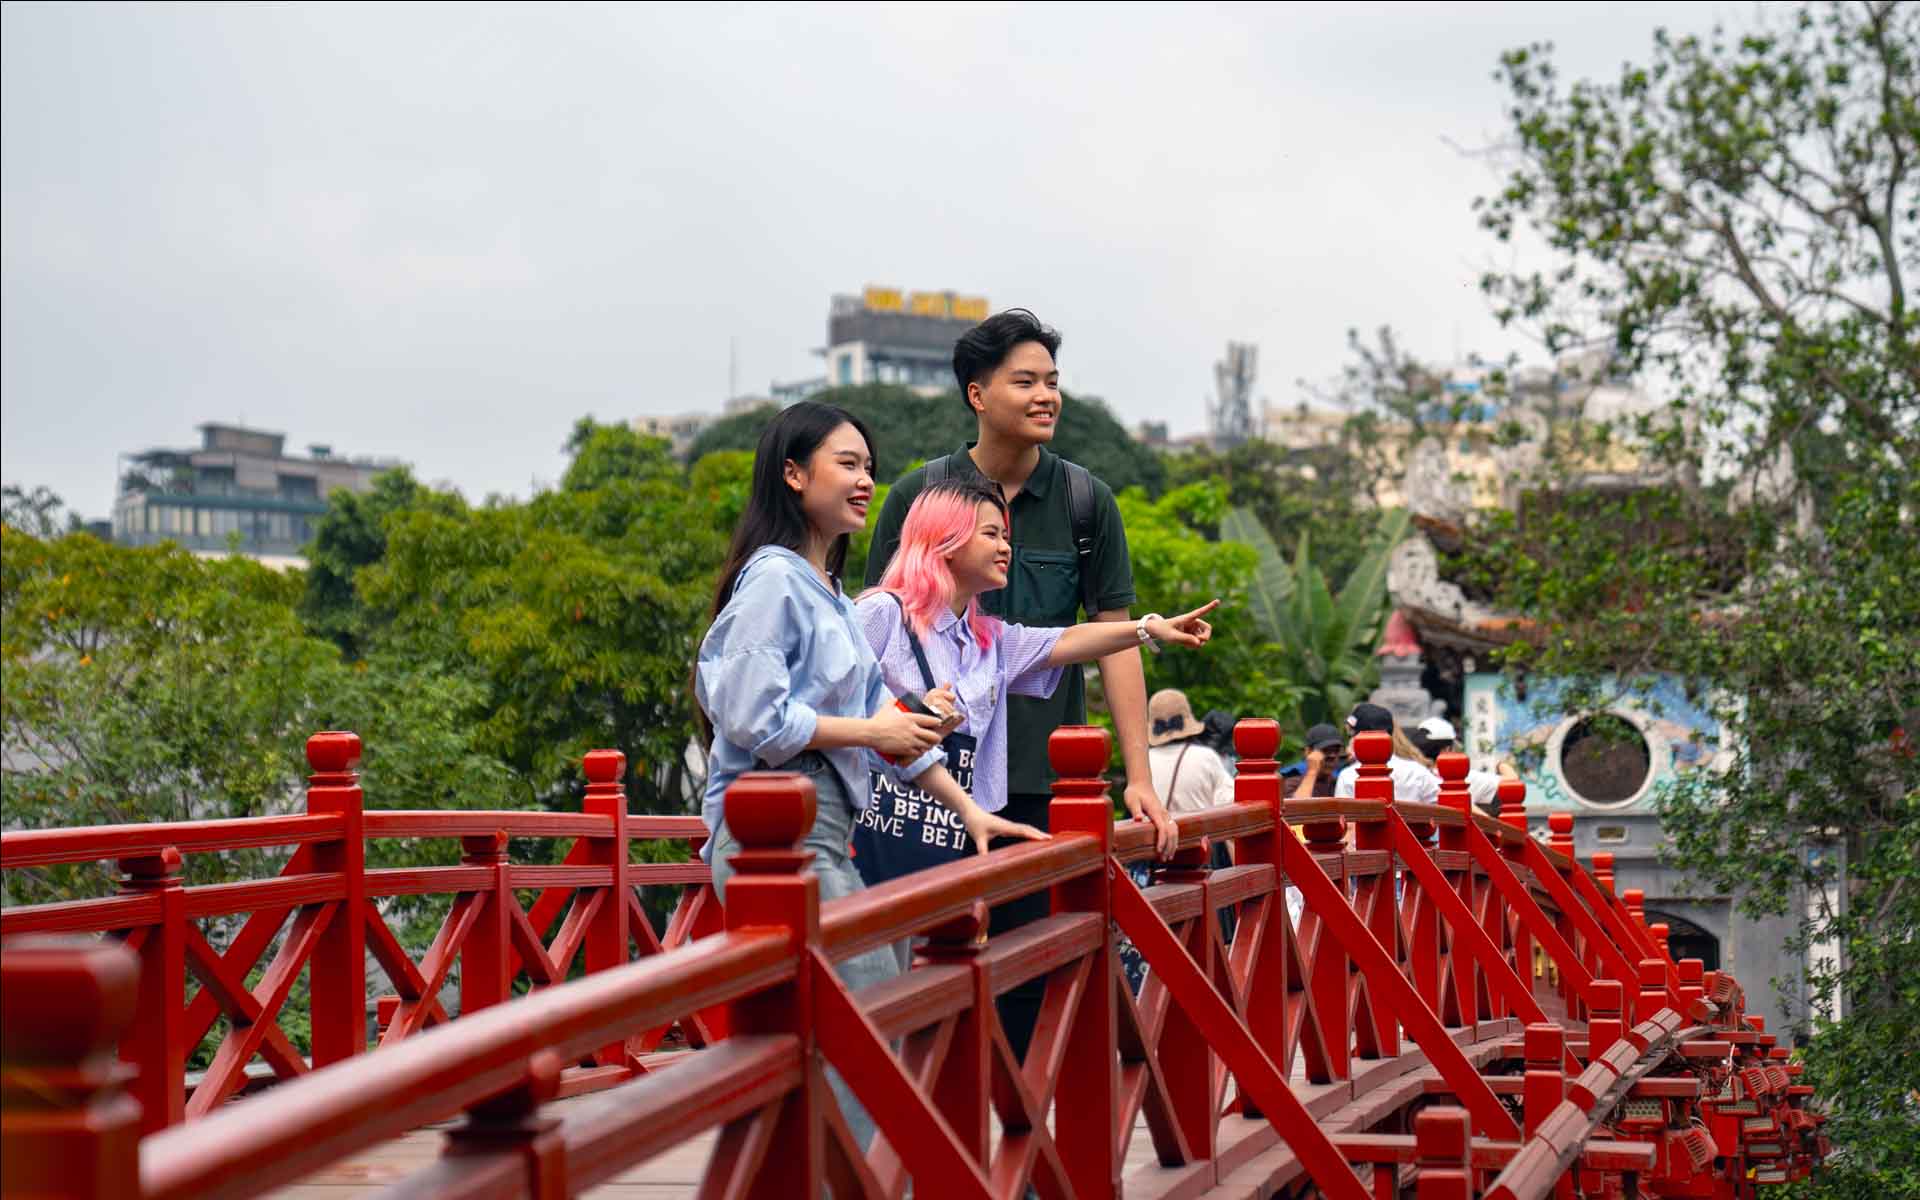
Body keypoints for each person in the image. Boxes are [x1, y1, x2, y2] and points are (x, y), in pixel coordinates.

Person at [693, 401, 1046, 1149]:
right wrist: (873, 729)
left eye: (868, 467)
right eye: (846, 464)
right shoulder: (774, 584)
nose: (865, 480)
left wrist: (967, 810)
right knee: (872, 1027)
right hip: (777, 841)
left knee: (868, 1021)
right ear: (793, 474)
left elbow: (893, 730)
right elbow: (754, 719)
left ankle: (810, 1171)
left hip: (820, 837)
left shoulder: (825, 594)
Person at [864, 308, 1176, 1063]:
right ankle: (937, 1144)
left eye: (1054, 382)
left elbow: (1113, 637)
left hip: (1044, 780)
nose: (1047, 397)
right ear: (977, 393)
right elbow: (869, 651)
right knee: (923, 967)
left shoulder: (1083, 502)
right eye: (1026, 381)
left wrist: (1139, 777)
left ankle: (1019, 1153)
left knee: (1035, 965)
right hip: (927, 785)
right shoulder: (920, 498)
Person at [853, 479, 1218, 881]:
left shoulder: (987, 641)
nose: (1005, 547)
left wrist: (1149, 628)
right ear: (946, 542)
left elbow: (1067, 640)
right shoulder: (881, 614)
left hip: (953, 840)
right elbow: (829, 704)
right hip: (879, 827)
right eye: (991, 534)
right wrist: (910, 718)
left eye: (1005, 536)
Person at [1333, 702, 1440, 805]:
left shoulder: (1348, 776)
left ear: (1361, 739)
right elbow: (1442, 801)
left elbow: (1345, 819)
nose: (1350, 742)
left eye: (1352, 735)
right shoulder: (1416, 772)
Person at [1407, 715, 1515, 815]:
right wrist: (1502, 764)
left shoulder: (1410, 774)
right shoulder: (1462, 777)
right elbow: (1512, 784)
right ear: (1447, 749)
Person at [1282, 723, 1348, 802]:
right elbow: (1298, 808)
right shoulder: (1292, 781)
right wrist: (1312, 771)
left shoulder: (1338, 782)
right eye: (1325, 750)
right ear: (1308, 752)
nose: (1332, 756)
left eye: (1336, 751)